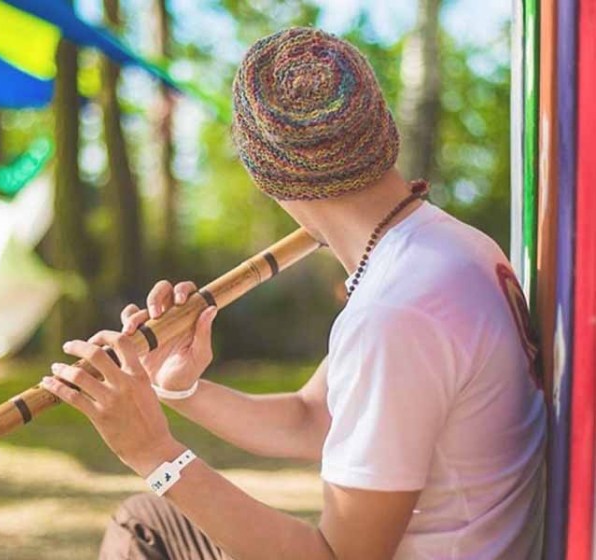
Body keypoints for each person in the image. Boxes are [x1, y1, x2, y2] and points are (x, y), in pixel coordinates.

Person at [41, 27, 547, 559]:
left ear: (266, 174)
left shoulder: (396, 312)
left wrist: (153, 454)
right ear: (381, 130)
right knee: (153, 519)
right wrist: (177, 387)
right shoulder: (448, 249)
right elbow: (313, 419)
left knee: (144, 532)